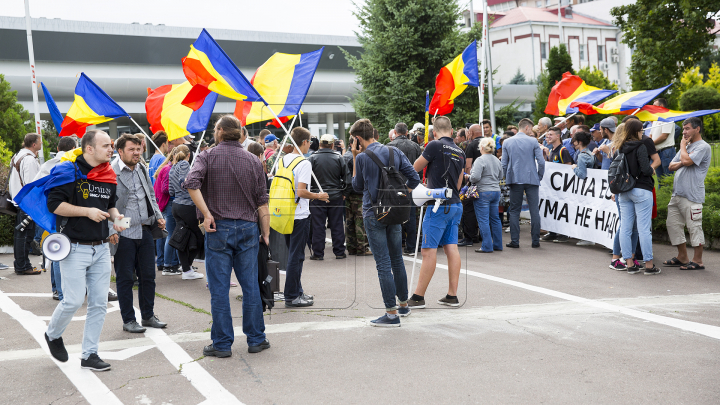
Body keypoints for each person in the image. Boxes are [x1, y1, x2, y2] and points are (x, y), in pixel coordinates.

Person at [185, 114, 271, 356]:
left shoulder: (207, 156)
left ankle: (222, 344)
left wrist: (206, 213)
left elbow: (191, 183)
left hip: (218, 228)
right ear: (240, 132)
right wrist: (266, 233)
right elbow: (262, 202)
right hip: (247, 227)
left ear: (220, 131)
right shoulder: (253, 160)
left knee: (220, 289)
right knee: (250, 286)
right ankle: (256, 339)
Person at [44, 130, 126, 371]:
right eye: (105, 146)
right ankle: (52, 334)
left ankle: (89, 354)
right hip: (74, 247)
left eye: (111, 145)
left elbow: (110, 206)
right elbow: (55, 205)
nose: (111, 149)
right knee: (73, 300)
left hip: (101, 248)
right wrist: (86, 211)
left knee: (99, 303)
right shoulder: (69, 171)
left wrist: (117, 218)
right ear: (89, 149)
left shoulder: (108, 174)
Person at [351, 119, 420, 326]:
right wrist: (401, 194)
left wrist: (355, 157)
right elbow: (414, 178)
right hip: (396, 211)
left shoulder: (362, 157)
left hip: (374, 213)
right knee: (397, 259)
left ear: (357, 138)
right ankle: (403, 305)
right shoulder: (394, 152)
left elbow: (357, 186)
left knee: (383, 264)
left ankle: (391, 314)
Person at [109, 134, 167, 333]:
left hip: (145, 229)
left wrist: (158, 216)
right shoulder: (110, 172)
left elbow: (150, 194)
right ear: (120, 151)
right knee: (125, 278)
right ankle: (128, 320)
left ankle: (148, 316)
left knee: (148, 276)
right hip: (123, 231)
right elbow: (105, 204)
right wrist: (111, 230)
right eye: (131, 149)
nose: (136, 153)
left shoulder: (142, 167)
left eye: (138, 149)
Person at [408, 116, 464, 308]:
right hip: (455, 204)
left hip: (438, 204)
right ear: (452, 131)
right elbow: (458, 183)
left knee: (428, 250)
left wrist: (415, 187)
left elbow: (414, 168)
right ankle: (452, 295)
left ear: (434, 132)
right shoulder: (460, 150)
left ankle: (418, 297)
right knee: (451, 248)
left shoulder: (433, 145)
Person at [278, 127, 328, 307]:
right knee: (296, 256)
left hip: (284, 211)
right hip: (299, 214)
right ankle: (291, 296)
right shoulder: (304, 163)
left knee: (294, 254)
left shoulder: (284, 160)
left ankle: (297, 291)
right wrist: (319, 196)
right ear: (305, 142)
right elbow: (301, 191)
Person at [663, 117, 711, 271]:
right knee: (673, 225)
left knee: (694, 227)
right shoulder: (688, 147)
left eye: (687, 128)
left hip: (692, 195)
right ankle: (682, 257)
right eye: (683, 129)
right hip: (677, 194)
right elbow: (671, 165)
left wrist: (683, 148)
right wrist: (685, 158)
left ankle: (698, 260)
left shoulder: (703, 147)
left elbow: (688, 162)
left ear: (697, 129)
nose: (684, 132)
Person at [33, 137, 78, 301]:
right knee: (64, 250)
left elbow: (35, 184)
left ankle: (56, 289)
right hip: (69, 211)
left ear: (58, 148)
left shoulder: (48, 164)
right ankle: (62, 291)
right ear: (74, 148)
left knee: (56, 249)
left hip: (49, 211)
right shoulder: (74, 162)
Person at [615, 119, 661, 275]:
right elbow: (645, 169)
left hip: (624, 190)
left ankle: (629, 263)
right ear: (636, 131)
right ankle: (649, 265)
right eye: (641, 130)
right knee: (643, 229)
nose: (643, 132)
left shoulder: (620, 147)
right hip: (641, 188)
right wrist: (651, 170)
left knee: (625, 228)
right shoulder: (640, 146)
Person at [502, 118, 544, 248]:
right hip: (531, 179)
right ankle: (535, 241)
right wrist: (539, 177)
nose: (531, 131)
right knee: (534, 210)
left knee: (514, 211)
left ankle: (515, 241)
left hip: (515, 179)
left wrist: (506, 178)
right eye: (530, 129)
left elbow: (504, 164)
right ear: (527, 128)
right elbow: (541, 162)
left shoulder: (507, 142)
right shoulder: (533, 141)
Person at [308, 134, 347, 260]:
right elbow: (347, 178)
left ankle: (318, 253)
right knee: (337, 224)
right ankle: (339, 252)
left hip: (317, 196)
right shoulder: (338, 158)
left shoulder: (312, 158)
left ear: (320, 144)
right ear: (332, 145)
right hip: (335, 195)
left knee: (318, 225)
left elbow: (307, 179)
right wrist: (344, 193)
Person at [169, 145, 205, 280]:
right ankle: (187, 268)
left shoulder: (172, 167)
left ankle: (186, 269)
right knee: (200, 237)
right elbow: (185, 181)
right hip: (188, 206)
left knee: (182, 238)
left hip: (176, 206)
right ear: (188, 155)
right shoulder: (184, 163)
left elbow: (171, 191)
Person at [387, 122, 423, 255]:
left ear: (395, 133)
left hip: (394, 185)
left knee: (394, 215)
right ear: (407, 133)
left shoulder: (389, 146)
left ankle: (396, 246)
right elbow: (419, 168)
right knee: (411, 216)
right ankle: (411, 246)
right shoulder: (415, 146)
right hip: (411, 185)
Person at [9, 133, 42, 275]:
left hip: (19, 199)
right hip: (28, 201)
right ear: (34, 144)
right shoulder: (29, 159)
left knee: (20, 234)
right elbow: (31, 183)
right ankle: (23, 266)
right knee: (25, 235)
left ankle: (21, 264)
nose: (41, 144)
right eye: (40, 142)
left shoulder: (18, 155)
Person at [469, 137, 503, 253]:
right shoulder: (496, 160)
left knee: (483, 220)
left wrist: (468, 176)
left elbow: (475, 177)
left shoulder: (480, 160)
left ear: (482, 147)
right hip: (495, 191)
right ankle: (498, 244)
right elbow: (500, 176)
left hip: (483, 191)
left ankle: (487, 246)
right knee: (495, 219)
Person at [540, 126, 572, 243]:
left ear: (558, 136)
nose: (548, 137)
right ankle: (553, 232)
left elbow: (568, 169)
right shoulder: (552, 150)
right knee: (553, 209)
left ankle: (564, 234)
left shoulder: (563, 150)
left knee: (562, 210)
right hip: (553, 188)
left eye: (550, 135)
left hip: (562, 188)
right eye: (547, 135)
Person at [153, 146, 182, 275]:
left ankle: (165, 263)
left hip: (163, 204)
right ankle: (168, 265)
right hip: (169, 203)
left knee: (165, 234)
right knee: (171, 234)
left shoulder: (165, 167)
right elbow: (166, 189)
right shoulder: (169, 169)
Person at [343, 145, 371, 256]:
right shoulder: (360, 158)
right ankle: (362, 248)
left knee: (349, 221)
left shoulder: (345, 156)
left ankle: (351, 247)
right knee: (360, 221)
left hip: (348, 193)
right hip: (359, 194)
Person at [459, 124, 483, 247]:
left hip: (473, 183)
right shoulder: (489, 143)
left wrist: (467, 181)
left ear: (471, 133)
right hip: (487, 184)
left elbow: (468, 166)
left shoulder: (471, 145)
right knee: (484, 210)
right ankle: (481, 235)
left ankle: (469, 237)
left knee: (469, 209)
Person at [571, 131, 597, 247]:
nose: (573, 143)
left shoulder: (582, 155)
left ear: (579, 142)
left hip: (584, 188)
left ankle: (587, 237)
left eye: (574, 141)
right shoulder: (590, 153)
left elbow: (582, 174)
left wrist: (574, 168)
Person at [650, 98, 676, 185]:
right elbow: (651, 135)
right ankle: (663, 197)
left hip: (666, 151)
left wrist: (650, 144)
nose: (653, 107)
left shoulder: (667, 117)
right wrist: (650, 145)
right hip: (657, 152)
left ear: (661, 106)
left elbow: (664, 136)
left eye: (654, 105)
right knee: (660, 179)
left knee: (668, 179)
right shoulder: (656, 119)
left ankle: (670, 197)